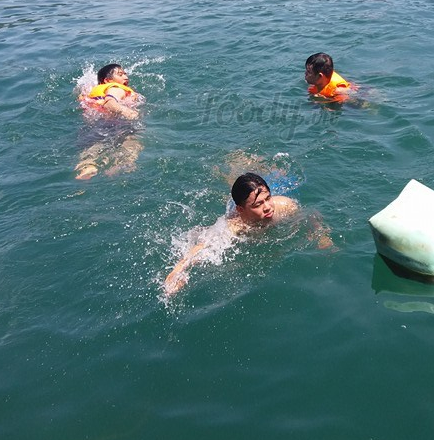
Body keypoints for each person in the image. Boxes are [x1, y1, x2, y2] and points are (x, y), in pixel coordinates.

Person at [163, 172, 331, 296]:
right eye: (258, 205)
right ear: (241, 209)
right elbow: (201, 248)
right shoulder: (234, 227)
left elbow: (310, 214)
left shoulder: (284, 206)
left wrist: (321, 235)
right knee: (233, 182)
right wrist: (176, 274)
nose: (267, 207)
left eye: (268, 198)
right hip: (241, 205)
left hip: (271, 186)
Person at [75, 64, 144, 180]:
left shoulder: (94, 91)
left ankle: (88, 166)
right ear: (107, 80)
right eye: (120, 75)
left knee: (94, 147)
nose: (126, 77)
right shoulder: (116, 88)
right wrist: (126, 111)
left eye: (125, 74)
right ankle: (120, 165)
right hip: (121, 124)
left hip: (99, 124)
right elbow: (109, 103)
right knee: (132, 143)